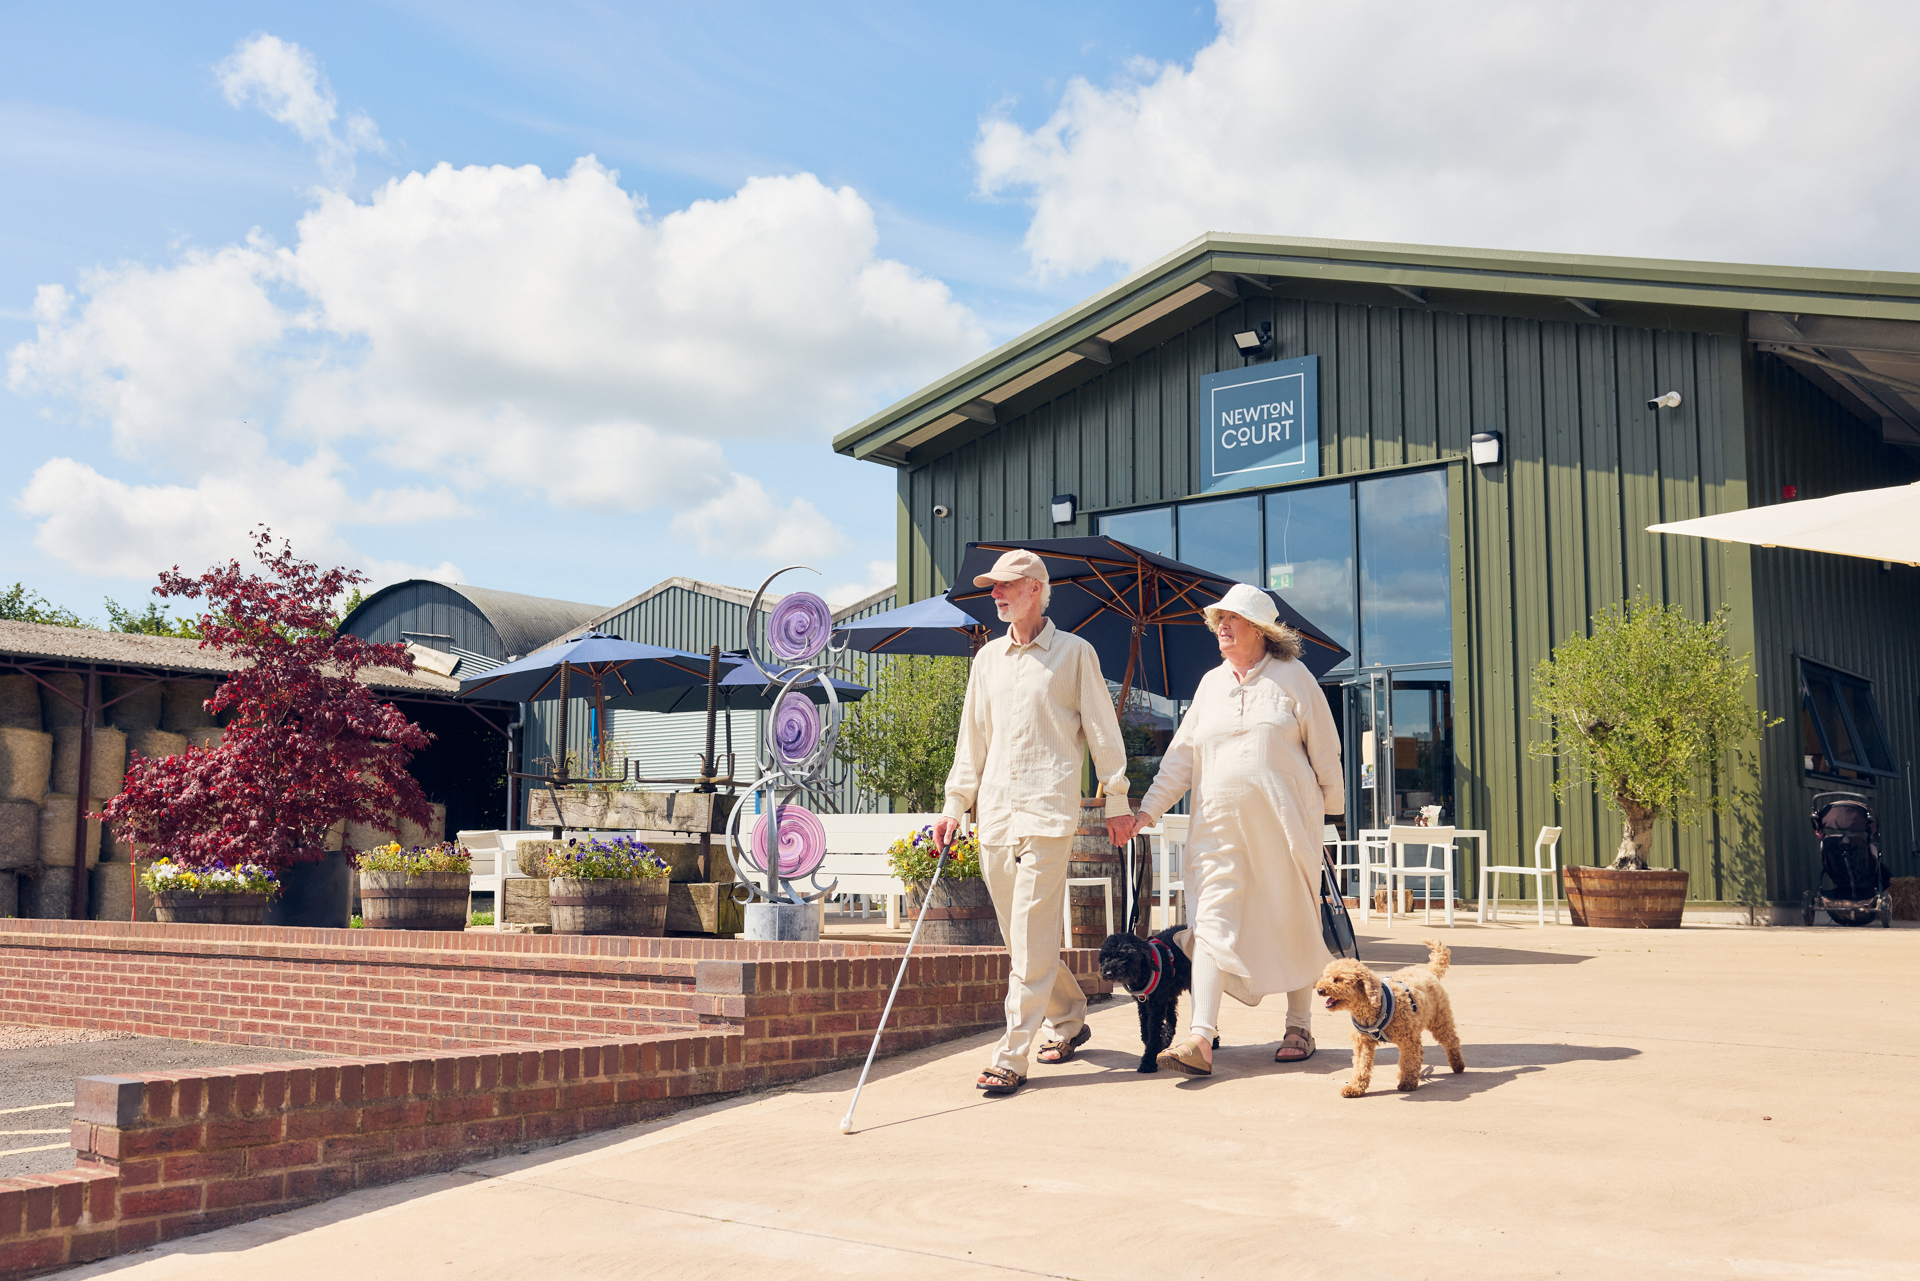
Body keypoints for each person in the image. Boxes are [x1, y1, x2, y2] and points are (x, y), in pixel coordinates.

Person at [1110, 582, 1344, 1075]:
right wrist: (1145, 812)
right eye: (1217, 619)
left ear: (1260, 630)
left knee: (1291, 919)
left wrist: (1330, 820)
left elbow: (1326, 755)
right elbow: (1180, 761)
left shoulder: (1294, 678)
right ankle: (1201, 1038)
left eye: (1231, 619)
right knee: (1210, 925)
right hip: (1216, 829)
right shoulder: (1210, 685)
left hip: (1285, 828)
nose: (1221, 627)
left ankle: (1299, 1024)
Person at [930, 549, 1133, 1097]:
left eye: (1007, 586)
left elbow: (1102, 732)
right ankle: (1069, 1016)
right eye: (992, 587)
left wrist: (1117, 800)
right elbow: (970, 745)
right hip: (994, 815)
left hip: (1047, 813)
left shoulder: (1075, 654)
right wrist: (954, 807)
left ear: (1037, 589)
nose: (995, 594)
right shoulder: (986, 661)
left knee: (1029, 931)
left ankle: (1012, 1053)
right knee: (1025, 941)